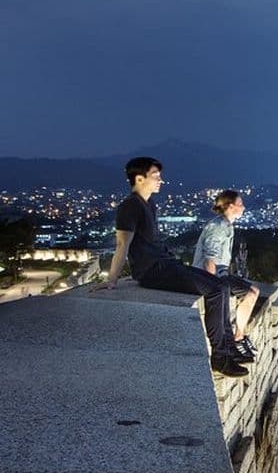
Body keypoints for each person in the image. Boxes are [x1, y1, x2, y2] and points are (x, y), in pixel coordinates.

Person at [95, 157, 248, 377]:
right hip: (152, 270)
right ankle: (220, 357)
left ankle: (229, 349)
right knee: (215, 290)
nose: (160, 180)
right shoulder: (130, 206)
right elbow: (122, 244)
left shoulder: (149, 204)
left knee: (222, 286)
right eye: (155, 176)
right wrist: (112, 280)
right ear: (139, 178)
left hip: (165, 263)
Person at [193, 190, 260, 360]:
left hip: (220, 275)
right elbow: (209, 259)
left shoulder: (226, 225)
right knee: (250, 293)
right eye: (240, 204)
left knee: (252, 292)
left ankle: (239, 337)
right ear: (230, 206)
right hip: (211, 276)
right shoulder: (218, 227)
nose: (243, 207)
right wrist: (212, 285)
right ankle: (237, 340)